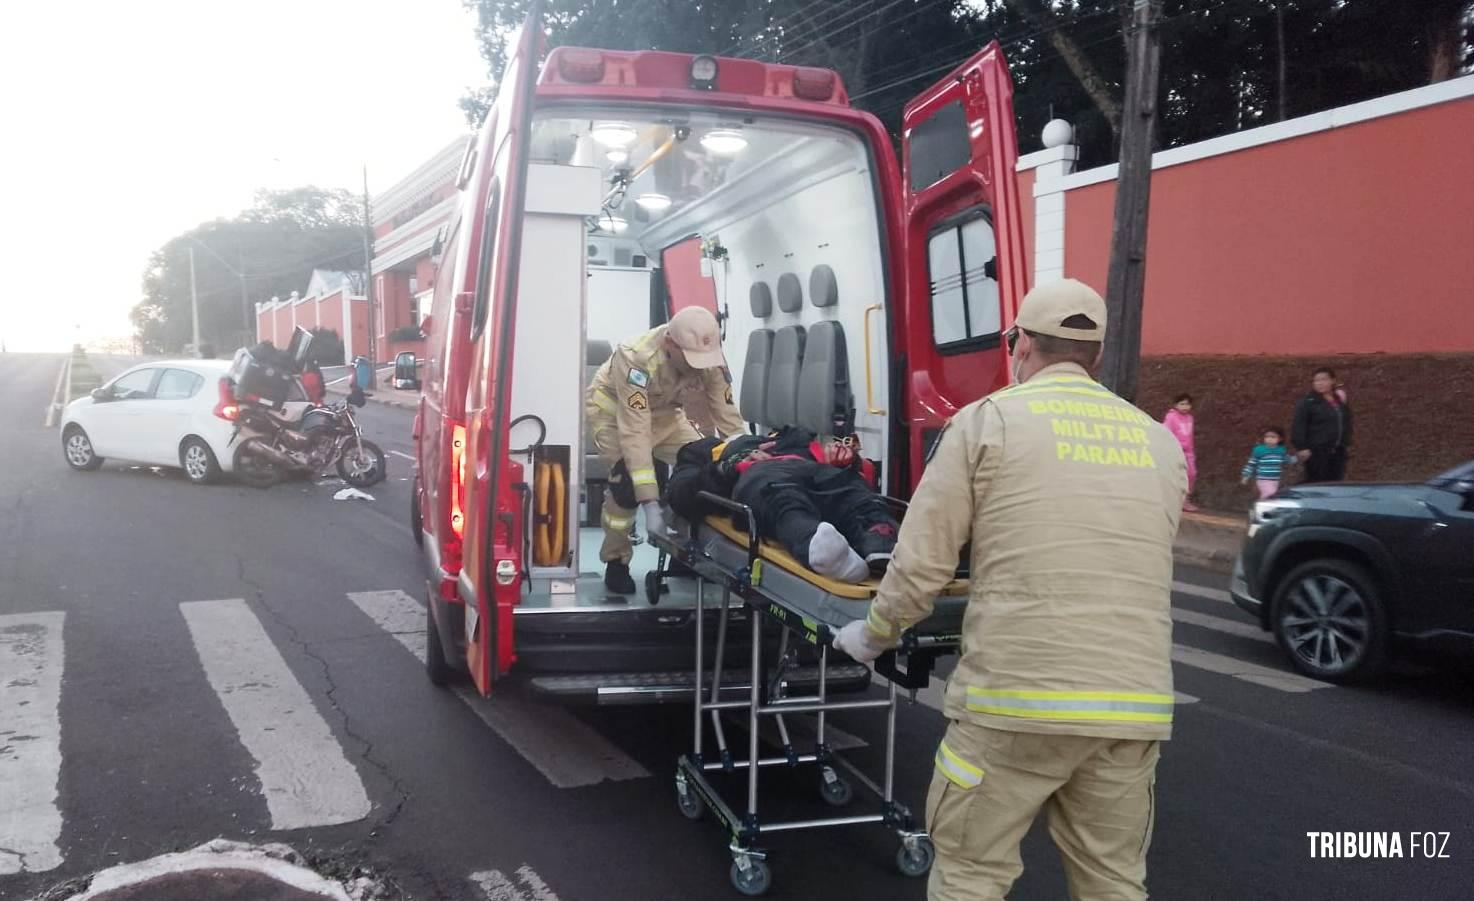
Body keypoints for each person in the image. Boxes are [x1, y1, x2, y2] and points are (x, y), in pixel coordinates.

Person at [834, 278, 1187, 901]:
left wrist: (874, 634)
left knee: (972, 875)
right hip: (1133, 709)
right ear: (1095, 357)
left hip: (1014, 700)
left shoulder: (988, 423)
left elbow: (921, 564)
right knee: (1113, 882)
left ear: (1020, 344)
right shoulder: (1159, 442)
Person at [587, 307, 747, 594]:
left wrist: (741, 457)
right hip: (614, 414)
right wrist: (650, 504)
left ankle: (686, 554)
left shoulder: (708, 356)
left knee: (699, 466)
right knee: (627, 482)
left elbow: (727, 415)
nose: (698, 366)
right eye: (690, 359)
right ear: (670, 344)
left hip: (666, 415)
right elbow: (635, 430)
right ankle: (616, 560)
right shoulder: (636, 357)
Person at [666, 428, 897, 582]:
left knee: (855, 494)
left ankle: (881, 545)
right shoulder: (704, 450)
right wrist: (726, 468)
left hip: (817, 469)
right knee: (780, 498)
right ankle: (817, 546)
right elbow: (680, 494)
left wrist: (848, 460)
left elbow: (862, 474)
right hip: (762, 472)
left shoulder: (792, 434)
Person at [1291, 367, 1352, 483]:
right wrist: (1302, 447)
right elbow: (1298, 426)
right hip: (1317, 451)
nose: (1320, 383)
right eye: (1316, 381)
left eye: (1324, 380)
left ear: (1333, 380)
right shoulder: (1308, 402)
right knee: (1316, 483)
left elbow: (1346, 421)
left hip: (1337, 451)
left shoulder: (1338, 400)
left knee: (1335, 483)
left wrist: (1347, 441)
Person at [1162, 393, 1198, 512]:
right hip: (1175, 451)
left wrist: (1191, 450)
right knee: (1174, 474)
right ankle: (1171, 500)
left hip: (1188, 452)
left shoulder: (1190, 418)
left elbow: (1190, 436)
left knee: (1191, 474)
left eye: (1187, 404)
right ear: (1175, 405)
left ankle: (1185, 500)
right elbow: (1166, 433)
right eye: (1181, 404)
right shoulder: (1171, 417)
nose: (1185, 406)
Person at [1240, 427, 1294, 499]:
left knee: (1270, 496)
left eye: (1273, 437)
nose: (1269, 439)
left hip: (1275, 479)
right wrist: (1245, 476)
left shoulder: (1281, 451)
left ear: (1280, 439)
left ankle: (1259, 508)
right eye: (1267, 436)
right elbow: (1251, 464)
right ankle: (1260, 507)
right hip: (1263, 479)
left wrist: (1298, 458)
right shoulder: (1260, 450)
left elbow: (1288, 460)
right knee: (1270, 493)